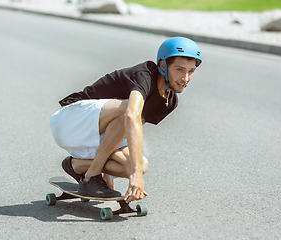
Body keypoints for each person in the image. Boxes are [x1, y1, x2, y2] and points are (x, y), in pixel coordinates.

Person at [50, 37, 202, 203]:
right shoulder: (146, 74)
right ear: (162, 66)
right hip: (69, 121)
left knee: (140, 164)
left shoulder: (169, 102)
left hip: (95, 135)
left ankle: (77, 166)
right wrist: (135, 176)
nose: (185, 78)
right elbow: (131, 115)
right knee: (130, 109)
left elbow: (124, 131)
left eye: (191, 71)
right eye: (179, 69)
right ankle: (92, 176)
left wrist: (114, 175)